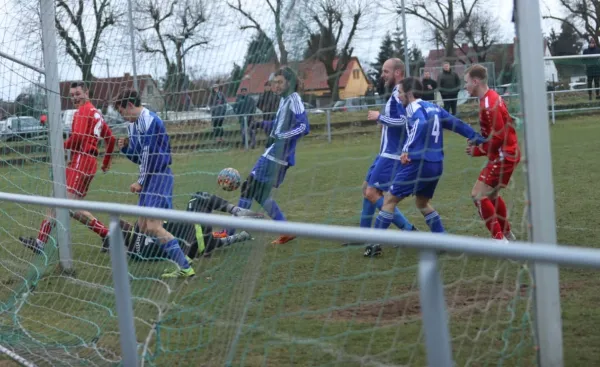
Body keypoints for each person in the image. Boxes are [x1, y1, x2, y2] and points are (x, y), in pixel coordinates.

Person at [366, 77, 485, 257]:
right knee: (422, 202)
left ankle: (374, 243)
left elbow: (420, 124)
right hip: (436, 164)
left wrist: (407, 149)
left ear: (409, 93)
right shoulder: (434, 107)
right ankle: (442, 240)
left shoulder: (414, 108)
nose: (398, 96)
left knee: (389, 200)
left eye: (399, 92)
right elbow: (456, 123)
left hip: (418, 163)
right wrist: (475, 136)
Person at [213, 66, 310, 245]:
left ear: (290, 82)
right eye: (275, 83)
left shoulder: (294, 98)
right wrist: (261, 124)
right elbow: (279, 124)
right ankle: (286, 230)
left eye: (280, 82)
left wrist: (281, 137)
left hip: (277, 155)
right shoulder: (283, 100)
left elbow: (304, 126)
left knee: (248, 188)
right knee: (260, 194)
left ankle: (228, 232)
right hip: (273, 152)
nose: (277, 86)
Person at [20, 81, 116, 254]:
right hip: (88, 163)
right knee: (61, 201)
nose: (74, 98)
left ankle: (107, 234)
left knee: (66, 203)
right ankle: (41, 241)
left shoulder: (83, 111)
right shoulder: (97, 113)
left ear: (87, 92)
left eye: (78, 94)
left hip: (81, 161)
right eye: (72, 95)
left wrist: (61, 146)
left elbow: (78, 137)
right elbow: (111, 139)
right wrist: (106, 162)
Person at [114, 89, 194, 278]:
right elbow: (139, 157)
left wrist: (141, 181)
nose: (123, 117)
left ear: (130, 106)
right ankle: (182, 258)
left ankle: (185, 267)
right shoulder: (133, 125)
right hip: (150, 177)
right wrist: (126, 148)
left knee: (153, 226)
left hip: (159, 176)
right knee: (142, 225)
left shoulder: (149, 120)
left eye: (122, 112)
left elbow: (150, 156)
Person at [102, 191, 265, 260]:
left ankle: (240, 236)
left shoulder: (136, 256)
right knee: (198, 197)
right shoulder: (143, 225)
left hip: (193, 250)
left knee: (204, 242)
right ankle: (237, 211)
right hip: (193, 232)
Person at [356, 58, 416, 236]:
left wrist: (380, 117)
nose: (382, 75)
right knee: (367, 188)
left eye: (386, 71)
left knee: (372, 192)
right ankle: (363, 235)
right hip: (384, 153)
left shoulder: (400, 91)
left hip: (393, 154)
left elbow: (404, 121)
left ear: (397, 72)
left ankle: (409, 230)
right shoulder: (396, 91)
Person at [463, 64, 520, 242]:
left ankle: (499, 240)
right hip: (506, 153)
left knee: (477, 195)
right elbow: (494, 133)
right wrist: (479, 139)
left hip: (504, 155)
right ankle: (508, 236)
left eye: (466, 82)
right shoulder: (490, 98)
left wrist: (478, 150)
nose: (465, 87)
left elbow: (499, 136)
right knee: (492, 195)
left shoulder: (488, 104)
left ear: (476, 81)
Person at [257, 81, 280, 148]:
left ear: (270, 87)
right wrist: (263, 109)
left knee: (274, 129)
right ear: (264, 87)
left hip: (273, 115)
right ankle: (270, 143)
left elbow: (278, 104)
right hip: (266, 116)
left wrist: (274, 110)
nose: (267, 88)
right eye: (266, 86)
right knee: (267, 130)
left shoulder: (274, 96)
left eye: (268, 86)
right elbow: (258, 105)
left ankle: (275, 142)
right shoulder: (262, 96)